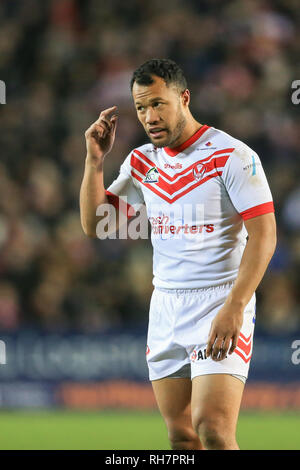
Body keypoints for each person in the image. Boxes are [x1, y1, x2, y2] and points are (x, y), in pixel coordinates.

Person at [80, 59, 276, 450]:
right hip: (166, 304)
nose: (149, 116)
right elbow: (97, 224)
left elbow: (264, 236)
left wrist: (235, 306)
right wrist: (95, 161)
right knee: (182, 436)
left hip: (219, 300)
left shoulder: (231, 156)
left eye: (157, 104)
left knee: (214, 430)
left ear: (183, 98)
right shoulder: (142, 163)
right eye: (140, 107)